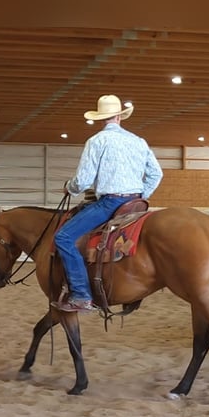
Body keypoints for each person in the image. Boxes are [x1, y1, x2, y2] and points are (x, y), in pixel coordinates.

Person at [51, 94, 163, 313]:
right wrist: (142, 195)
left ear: (101, 118)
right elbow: (156, 174)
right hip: (136, 203)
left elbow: (83, 180)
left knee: (63, 237)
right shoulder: (138, 141)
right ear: (120, 117)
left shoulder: (97, 141)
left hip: (110, 202)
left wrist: (70, 188)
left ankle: (81, 295)